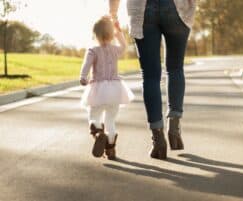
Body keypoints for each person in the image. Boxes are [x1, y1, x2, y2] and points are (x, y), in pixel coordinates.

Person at [109, 0, 196, 160]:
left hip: (143, 10)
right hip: (176, 8)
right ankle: (174, 129)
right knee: (175, 68)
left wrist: (113, 13)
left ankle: (158, 140)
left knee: (150, 76)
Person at [79, 16, 134, 160]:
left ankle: (98, 133)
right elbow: (124, 46)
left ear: (95, 34)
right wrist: (119, 31)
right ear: (111, 35)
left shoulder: (93, 50)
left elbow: (86, 65)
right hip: (115, 90)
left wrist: (83, 77)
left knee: (94, 115)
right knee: (110, 120)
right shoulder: (115, 49)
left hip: (98, 90)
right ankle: (110, 150)